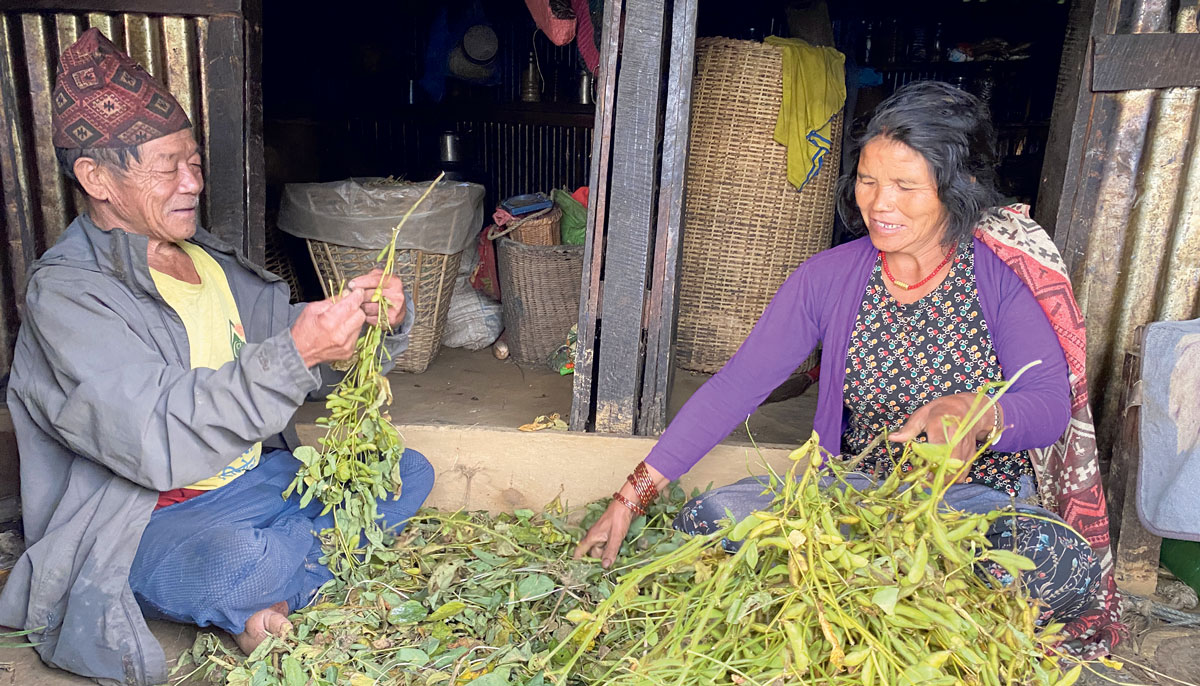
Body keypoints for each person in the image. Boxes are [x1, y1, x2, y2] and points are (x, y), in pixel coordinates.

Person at [576, 81, 1122, 657]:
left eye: (906, 186)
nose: (880, 204)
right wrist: (632, 495)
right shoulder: (829, 277)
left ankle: (881, 594)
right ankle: (892, 596)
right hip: (853, 500)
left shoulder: (1000, 277)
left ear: (958, 186)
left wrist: (977, 411)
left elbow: (1047, 405)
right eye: (868, 180)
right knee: (706, 520)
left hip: (972, 510)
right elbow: (737, 386)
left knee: (1062, 568)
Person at [0, 29, 435, 685]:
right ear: (97, 178)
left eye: (195, 162)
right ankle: (256, 585)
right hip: (149, 517)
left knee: (408, 470)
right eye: (167, 165)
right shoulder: (69, 294)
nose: (192, 182)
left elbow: (284, 346)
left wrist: (359, 320)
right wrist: (293, 354)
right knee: (239, 561)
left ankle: (258, 599)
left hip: (255, 482)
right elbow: (153, 434)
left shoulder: (208, 261)